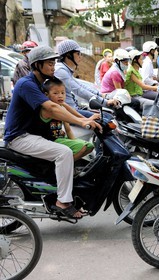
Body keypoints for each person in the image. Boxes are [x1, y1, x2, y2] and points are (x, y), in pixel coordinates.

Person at [3, 45, 100, 218]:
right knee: (64, 152)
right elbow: (52, 108)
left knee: (78, 148)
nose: (53, 66)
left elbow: (62, 104)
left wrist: (86, 118)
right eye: (49, 63)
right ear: (37, 65)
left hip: (35, 135)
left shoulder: (42, 85)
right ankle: (63, 202)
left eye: (54, 62)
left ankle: (61, 185)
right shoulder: (27, 84)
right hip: (19, 137)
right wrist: (82, 122)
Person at [55, 40, 117, 117]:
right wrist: (105, 102)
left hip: (73, 108)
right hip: (69, 112)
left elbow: (81, 85)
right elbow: (79, 90)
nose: (80, 56)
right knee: (107, 118)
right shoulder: (60, 71)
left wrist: (101, 95)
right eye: (78, 54)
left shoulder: (65, 69)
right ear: (68, 55)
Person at [38, 78, 94, 161]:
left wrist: (74, 140)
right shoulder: (48, 109)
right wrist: (84, 121)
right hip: (51, 140)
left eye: (63, 93)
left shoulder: (61, 107)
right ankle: (61, 165)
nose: (60, 95)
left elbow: (68, 129)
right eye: (56, 93)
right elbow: (73, 117)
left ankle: (68, 163)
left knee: (89, 146)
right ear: (46, 95)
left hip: (62, 138)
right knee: (83, 147)